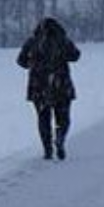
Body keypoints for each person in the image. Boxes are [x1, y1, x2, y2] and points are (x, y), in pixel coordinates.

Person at [16, 17, 81, 160]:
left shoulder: (32, 42)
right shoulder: (63, 40)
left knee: (43, 118)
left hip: (38, 86)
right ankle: (60, 136)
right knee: (63, 117)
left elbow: (20, 61)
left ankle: (47, 149)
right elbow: (76, 56)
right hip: (61, 84)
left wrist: (33, 64)